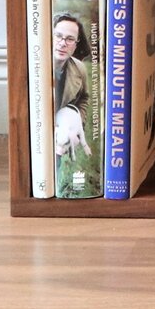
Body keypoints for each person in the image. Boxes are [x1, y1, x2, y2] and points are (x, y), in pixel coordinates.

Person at [49, 13, 98, 196]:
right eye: (58, 36)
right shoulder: (35, 63)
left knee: (58, 171)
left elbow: (84, 98)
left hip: (62, 131)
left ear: (76, 44)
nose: (63, 43)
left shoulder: (79, 68)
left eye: (70, 39)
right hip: (38, 131)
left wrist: (78, 126)